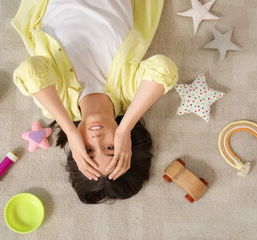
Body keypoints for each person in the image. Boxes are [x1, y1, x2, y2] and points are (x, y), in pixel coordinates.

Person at [11, 0, 178, 204]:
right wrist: (124, 128)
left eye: (89, 150)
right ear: (125, 144)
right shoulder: (130, 92)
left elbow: (30, 71)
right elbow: (163, 69)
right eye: (110, 148)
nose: (97, 138)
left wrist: (71, 131)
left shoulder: (57, 104)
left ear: (76, 148)